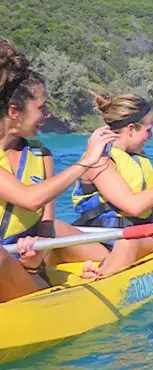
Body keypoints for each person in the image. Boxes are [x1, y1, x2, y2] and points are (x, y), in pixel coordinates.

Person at [0, 39, 116, 302]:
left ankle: (97, 277)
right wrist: (85, 162)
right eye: (41, 108)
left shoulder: (41, 156)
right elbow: (30, 199)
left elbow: (46, 225)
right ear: (14, 112)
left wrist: (34, 260)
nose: (48, 114)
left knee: (90, 249)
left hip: (26, 270)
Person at [71, 92, 153, 279]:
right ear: (130, 130)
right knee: (52, 227)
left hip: (137, 239)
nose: (150, 136)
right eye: (148, 130)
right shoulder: (99, 160)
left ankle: (102, 273)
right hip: (101, 240)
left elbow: (139, 198)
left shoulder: (134, 156)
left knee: (127, 241)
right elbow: (134, 206)